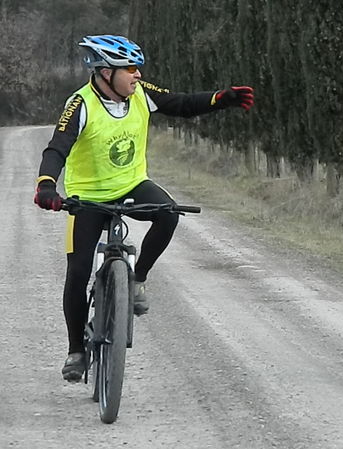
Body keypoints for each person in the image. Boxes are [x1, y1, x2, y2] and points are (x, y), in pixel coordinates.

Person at [34, 35, 254, 381]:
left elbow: (180, 104)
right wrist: (46, 185)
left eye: (138, 69)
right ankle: (76, 350)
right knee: (77, 274)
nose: (137, 76)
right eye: (130, 69)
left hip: (132, 184)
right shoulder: (80, 104)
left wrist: (220, 99)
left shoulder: (141, 93)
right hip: (88, 196)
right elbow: (56, 148)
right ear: (106, 72)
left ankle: (137, 279)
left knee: (168, 213)